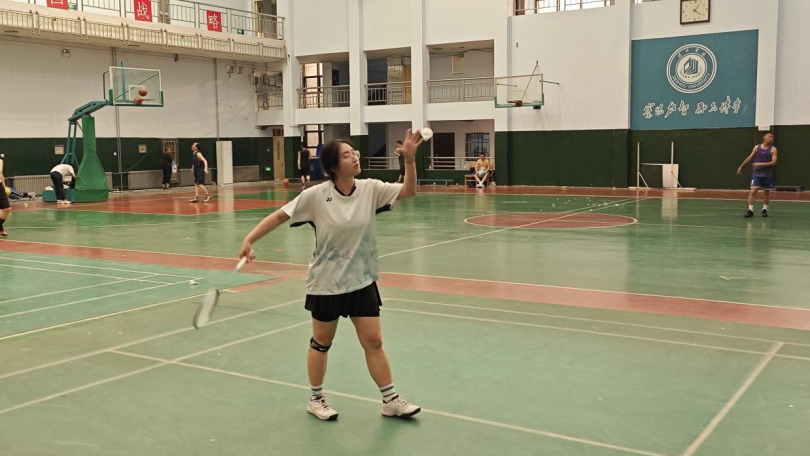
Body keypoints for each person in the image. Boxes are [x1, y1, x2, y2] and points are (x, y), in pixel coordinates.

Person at [238, 130, 425, 422]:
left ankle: (390, 401)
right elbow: (280, 215)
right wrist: (249, 239)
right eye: (348, 156)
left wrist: (410, 161)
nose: (355, 158)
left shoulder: (370, 189)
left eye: (355, 153)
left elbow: (408, 191)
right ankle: (316, 399)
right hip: (327, 282)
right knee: (321, 342)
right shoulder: (315, 196)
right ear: (335, 166)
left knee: (374, 342)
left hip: (361, 279)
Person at [737, 131, 778, 218]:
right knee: (753, 191)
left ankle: (764, 209)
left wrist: (760, 164)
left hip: (767, 174)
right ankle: (750, 210)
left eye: (772, 137)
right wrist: (741, 166)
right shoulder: (756, 147)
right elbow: (749, 157)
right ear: (764, 137)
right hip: (757, 173)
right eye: (769, 136)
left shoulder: (773, 149)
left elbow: (773, 162)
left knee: (766, 192)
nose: (771, 138)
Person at [0, 157, 9, 236]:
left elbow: (1, 174)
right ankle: (1, 229)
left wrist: (4, 186)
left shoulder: (0, 161)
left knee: (7, 208)